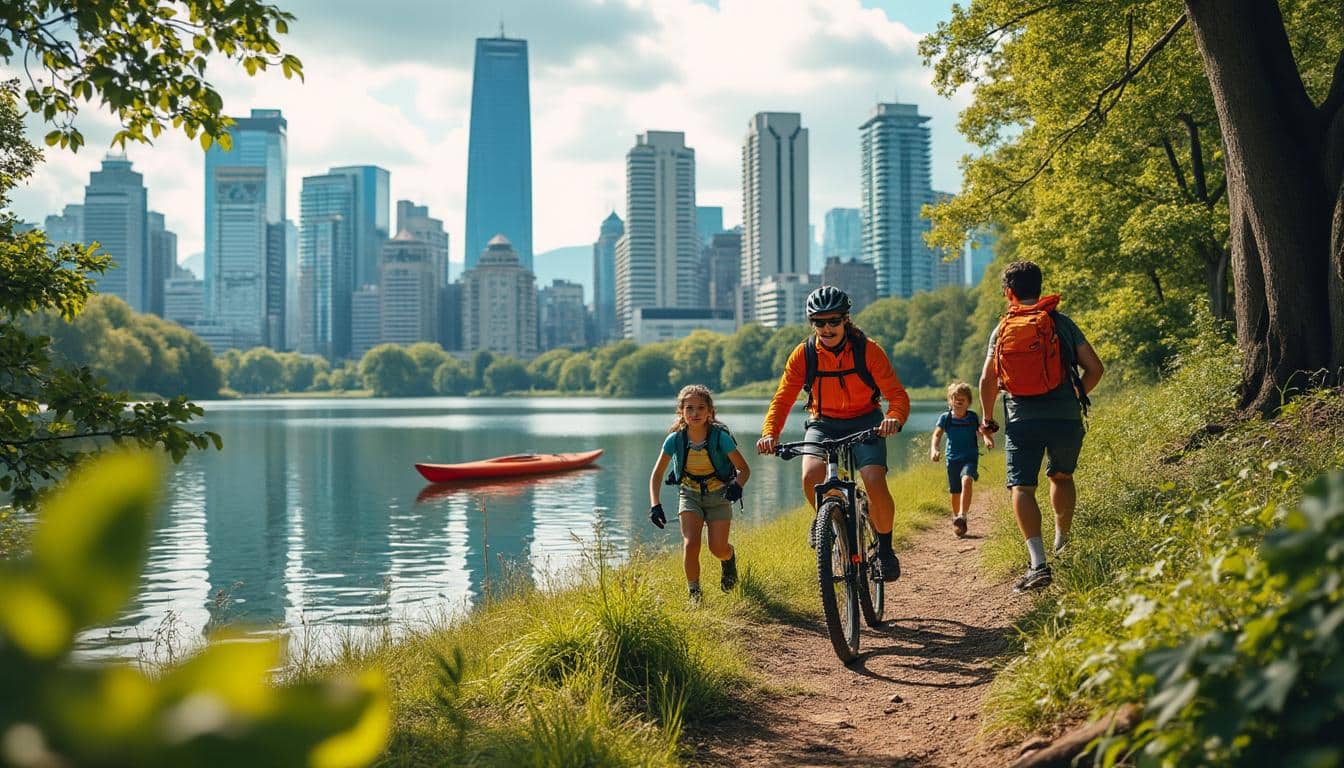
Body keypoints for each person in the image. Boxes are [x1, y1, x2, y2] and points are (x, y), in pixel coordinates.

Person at [756, 286, 910, 581]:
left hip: (866, 420)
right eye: (819, 322)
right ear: (811, 323)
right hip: (823, 422)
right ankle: (827, 516)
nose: (827, 328)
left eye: (833, 321)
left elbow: (898, 395)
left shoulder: (868, 350)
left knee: (874, 479)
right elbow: (783, 398)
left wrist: (893, 418)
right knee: (810, 476)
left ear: (845, 320)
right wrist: (770, 433)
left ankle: (886, 550)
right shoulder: (804, 354)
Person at [978, 261, 1104, 592]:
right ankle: (1063, 544)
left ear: (1009, 292)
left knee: (1021, 487)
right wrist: (1076, 396)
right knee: (1061, 475)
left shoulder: (1002, 329)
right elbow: (1095, 369)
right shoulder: (1061, 324)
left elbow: (987, 379)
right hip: (1065, 417)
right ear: (1040, 286)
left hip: (1022, 419)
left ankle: (1038, 563)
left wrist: (987, 418)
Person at [648, 384, 751, 603]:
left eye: (701, 408)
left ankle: (729, 559)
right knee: (690, 543)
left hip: (719, 496)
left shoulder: (720, 438)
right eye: (690, 408)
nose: (695, 413)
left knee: (718, 548)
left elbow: (744, 469)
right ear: (681, 412)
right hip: (689, 495)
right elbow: (656, 475)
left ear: (710, 412)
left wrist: (737, 485)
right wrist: (655, 505)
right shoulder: (674, 440)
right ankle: (694, 594)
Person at [930, 381, 993, 538]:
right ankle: (958, 519)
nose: (958, 402)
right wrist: (934, 449)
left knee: (967, 480)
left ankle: (963, 515)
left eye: (962, 400)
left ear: (968, 402)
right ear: (950, 401)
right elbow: (937, 434)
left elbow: (980, 430)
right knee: (955, 492)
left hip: (969, 457)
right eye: (955, 399)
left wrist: (986, 438)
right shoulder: (946, 418)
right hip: (952, 459)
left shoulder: (972, 417)